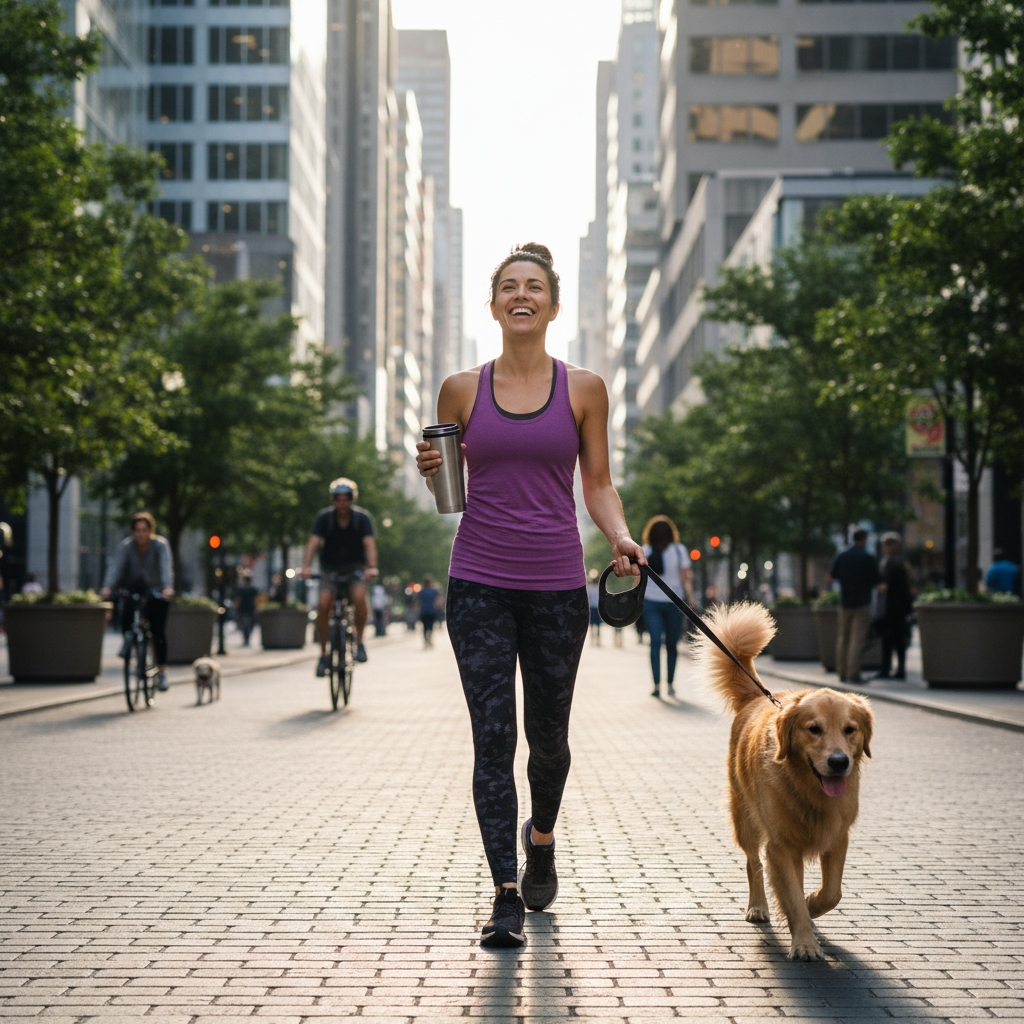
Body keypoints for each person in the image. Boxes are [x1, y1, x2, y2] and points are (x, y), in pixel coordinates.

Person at [416, 243, 645, 949]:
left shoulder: (584, 389)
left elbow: (596, 483)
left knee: (548, 742)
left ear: (551, 304)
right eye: (509, 286)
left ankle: (541, 836)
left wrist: (621, 537)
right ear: (493, 306)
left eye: (534, 286)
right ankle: (506, 892)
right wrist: (431, 473)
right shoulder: (460, 389)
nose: (522, 295)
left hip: (554, 587)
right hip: (478, 582)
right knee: (493, 740)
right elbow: (448, 495)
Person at [300, 478, 378, 674]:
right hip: (329, 569)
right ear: (333, 500)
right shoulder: (324, 518)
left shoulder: (362, 518)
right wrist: (306, 567)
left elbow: (369, 544)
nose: (342, 502)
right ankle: (324, 654)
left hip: (355, 569)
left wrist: (372, 567)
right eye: (338, 499)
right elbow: (313, 543)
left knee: (360, 598)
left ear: (352, 499)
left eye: (346, 499)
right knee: (323, 605)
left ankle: (359, 642)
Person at [101, 511, 174, 690]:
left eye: (144, 530)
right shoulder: (126, 546)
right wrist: (107, 586)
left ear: (150, 530)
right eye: (137, 530)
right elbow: (116, 567)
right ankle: (130, 644)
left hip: (157, 591)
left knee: (158, 632)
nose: (141, 534)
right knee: (126, 615)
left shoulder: (160, 545)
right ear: (133, 531)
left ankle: (162, 671)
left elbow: (166, 567)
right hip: (133, 588)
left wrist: (167, 587)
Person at [641, 515, 694, 699]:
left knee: (665, 643)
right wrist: (691, 596)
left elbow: (685, 575)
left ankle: (666, 684)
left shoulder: (678, 551)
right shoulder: (645, 551)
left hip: (672, 603)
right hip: (655, 601)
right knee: (662, 643)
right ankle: (661, 684)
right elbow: (686, 577)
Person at [825, 528, 882, 684]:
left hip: (845, 602)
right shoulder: (868, 557)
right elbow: (877, 581)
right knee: (857, 638)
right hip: (862, 602)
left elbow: (831, 576)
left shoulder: (842, 555)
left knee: (843, 637)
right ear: (864, 539)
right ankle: (853, 673)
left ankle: (842, 673)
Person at [876, 532, 913, 680]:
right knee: (898, 639)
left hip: (892, 607)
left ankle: (889, 669)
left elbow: (886, 585)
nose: (886, 548)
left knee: (890, 639)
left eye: (887, 545)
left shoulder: (892, 563)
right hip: (900, 607)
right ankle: (898, 669)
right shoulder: (901, 562)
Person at [233, 572, 259, 647]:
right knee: (250, 624)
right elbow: (256, 600)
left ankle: (245, 638)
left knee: (243, 624)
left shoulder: (241, 589)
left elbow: (238, 599)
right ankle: (247, 638)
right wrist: (256, 608)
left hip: (243, 608)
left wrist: (236, 607)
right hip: (250, 608)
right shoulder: (253, 589)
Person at [418, 574, 440, 648]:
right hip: (432, 611)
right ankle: (429, 639)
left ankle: (426, 640)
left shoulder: (421, 591)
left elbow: (418, 602)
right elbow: (437, 601)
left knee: (424, 627)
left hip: (423, 611)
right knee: (431, 626)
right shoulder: (434, 591)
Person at [586, 568, 602, 646]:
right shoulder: (598, 588)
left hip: (592, 607)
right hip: (596, 607)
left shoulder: (590, 588)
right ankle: (596, 640)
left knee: (594, 625)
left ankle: (594, 640)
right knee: (597, 625)